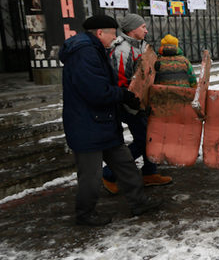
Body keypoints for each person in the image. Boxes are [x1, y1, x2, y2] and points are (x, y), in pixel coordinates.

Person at [59, 15, 161, 226]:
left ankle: (139, 202)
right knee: (90, 176)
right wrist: (123, 95)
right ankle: (85, 214)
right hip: (86, 124)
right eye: (113, 34)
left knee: (125, 165)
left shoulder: (95, 50)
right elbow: (96, 91)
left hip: (103, 121)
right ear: (99, 33)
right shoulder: (84, 53)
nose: (115, 38)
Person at [101, 14, 172, 194]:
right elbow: (121, 81)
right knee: (143, 140)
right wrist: (131, 104)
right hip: (129, 104)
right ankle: (108, 174)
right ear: (132, 29)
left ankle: (149, 173)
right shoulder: (122, 50)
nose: (146, 30)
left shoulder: (141, 45)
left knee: (151, 137)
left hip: (144, 102)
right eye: (142, 27)